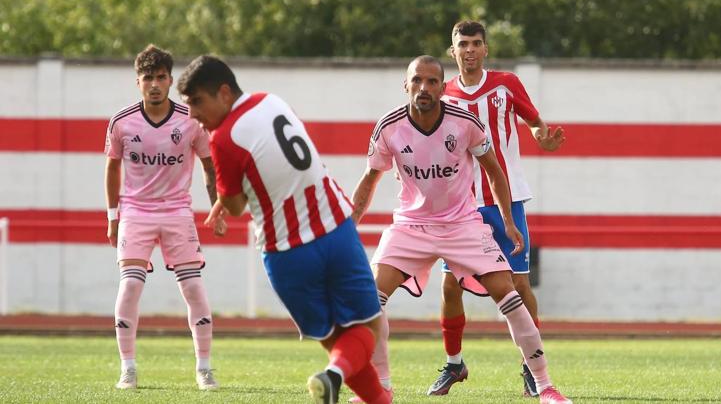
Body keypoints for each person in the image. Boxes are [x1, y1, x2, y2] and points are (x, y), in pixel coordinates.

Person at [350, 55, 572, 404]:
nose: (424, 88)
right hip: (412, 225)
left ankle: (545, 386)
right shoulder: (388, 126)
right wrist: (350, 227)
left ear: (442, 86)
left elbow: (495, 172)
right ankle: (380, 388)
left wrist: (509, 222)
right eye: (417, 80)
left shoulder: (463, 122)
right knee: (369, 301)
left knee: (510, 294)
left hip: (462, 223)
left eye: (432, 82)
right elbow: (369, 179)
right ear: (405, 85)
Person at [176, 55, 391, 404]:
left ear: (224, 92)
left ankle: (343, 379)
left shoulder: (222, 139)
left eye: (197, 102)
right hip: (335, 228)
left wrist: (222, 196)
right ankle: (342, 380)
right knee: (367, 328)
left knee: (336, 339)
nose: (193, 115)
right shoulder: (271, 100)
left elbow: (234, 205)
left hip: (288, 251)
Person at [430, 20, 566, 397]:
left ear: (485, 49)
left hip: (507, 201)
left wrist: (545, 139)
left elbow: (536, 124)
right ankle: (454, 363)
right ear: (452, 51)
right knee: (449, 285)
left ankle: (530, 366)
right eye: (463, 44)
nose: (469, 50)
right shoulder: (442, 93)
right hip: (459, 206)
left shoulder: (506, 83)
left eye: (476, 43)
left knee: (519, 285)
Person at [105, 44, 227, 391]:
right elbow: (112, 167)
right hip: (136, 213)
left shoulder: (190, 119)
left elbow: (208, 164)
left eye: (161, 77)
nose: (155, 84)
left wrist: (216, 206)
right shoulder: (121, 122)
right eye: (148, 78)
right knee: (130, 285)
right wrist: (113, 216)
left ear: (171, 80)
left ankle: (204, 368)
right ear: (138, 82)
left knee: (192, 287)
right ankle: (127, 368)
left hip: (177, 213)